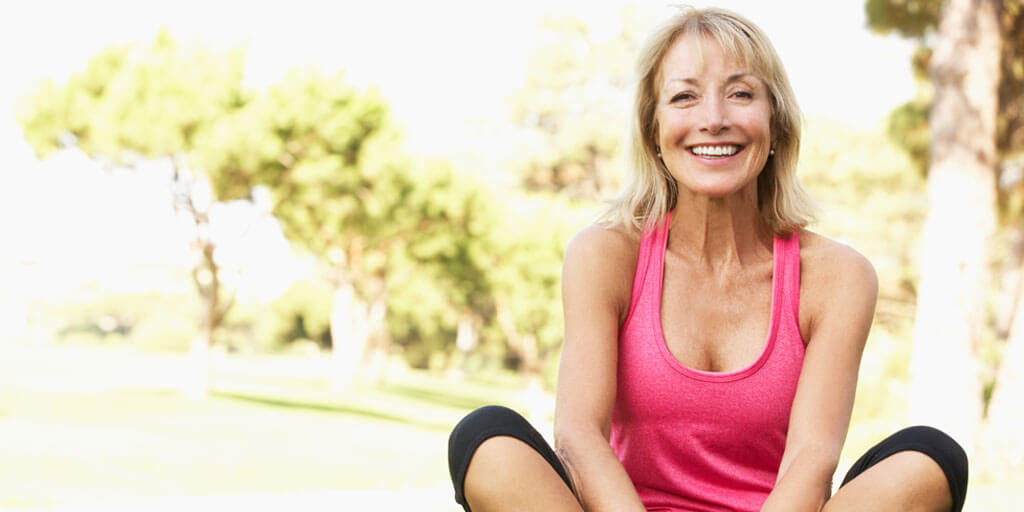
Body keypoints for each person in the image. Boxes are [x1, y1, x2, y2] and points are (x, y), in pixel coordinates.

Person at [448, 6, 968, 512]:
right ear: (654, 131)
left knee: (931, 460)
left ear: (775, 125)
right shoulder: (605, 255)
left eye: (740, 94)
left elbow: (812, 461)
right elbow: (579, 437)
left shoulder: (836, 278)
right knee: (486, 441)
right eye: (684, 97)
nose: (714, 119)